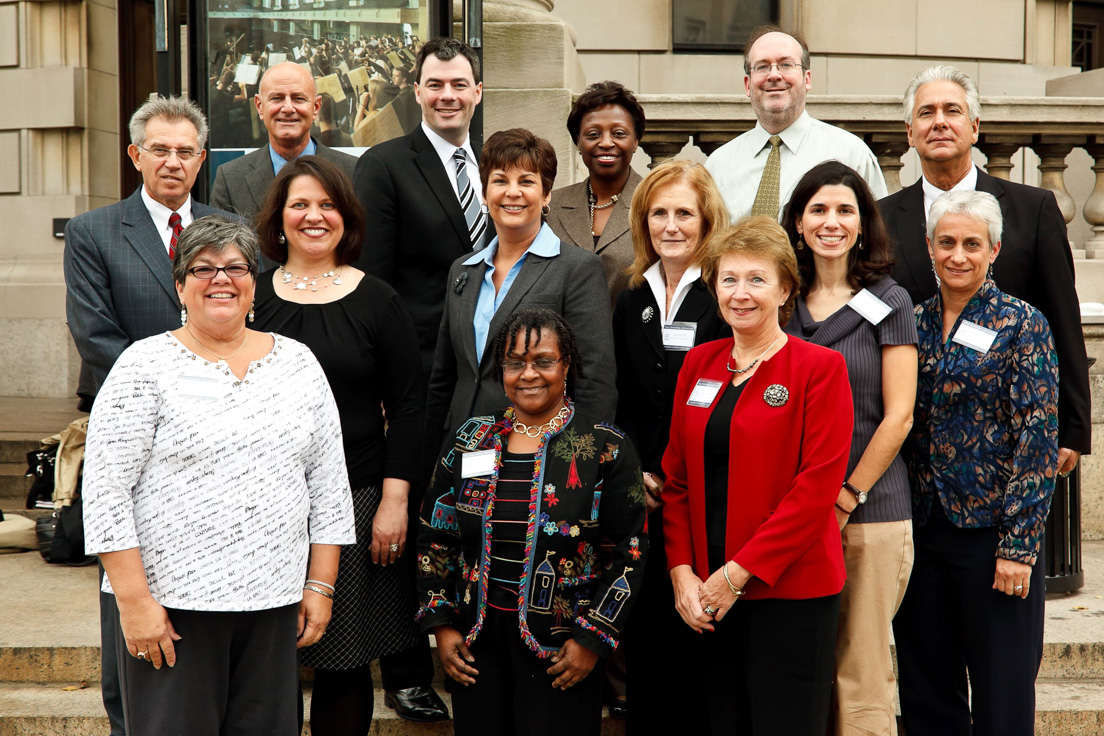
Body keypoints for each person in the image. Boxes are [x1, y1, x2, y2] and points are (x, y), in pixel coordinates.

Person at [81, 215, 356, 736]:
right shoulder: (144, 366)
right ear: (180, 285)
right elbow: (105, 493)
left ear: (254, 283)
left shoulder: (298, 364)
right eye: (203, 268)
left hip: (274, 605)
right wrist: (136, 603)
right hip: (173, 610)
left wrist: (320, 586)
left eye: (235, 267)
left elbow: (328, 485)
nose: (221, 279)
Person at [62, 95, 236, 736]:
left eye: (185, 150)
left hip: (220, 450)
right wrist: (189, 391)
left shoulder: (226, 228)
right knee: (129, 595)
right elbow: (95, 335)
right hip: (133, 441)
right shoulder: (93, 233)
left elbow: (246, 323)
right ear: (136, 155)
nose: (172, 161)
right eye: (159, 149)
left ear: (201, 159)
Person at [251, 156, 424, 735]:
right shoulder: (249, 299)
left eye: (327, 205)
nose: (313, 216)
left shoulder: (378, 300)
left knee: (342, 656)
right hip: (261, 504)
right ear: (279, 218)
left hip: (353, 500)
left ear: (347, 219)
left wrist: (393, 502)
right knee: (263, 656)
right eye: (299, 204)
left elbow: (407, 406)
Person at [663, 217, 854, 735]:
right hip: (705, 597)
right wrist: (682, 572)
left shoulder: (820, 368)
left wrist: (737, 574)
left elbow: (815, 492)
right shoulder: (698, 364)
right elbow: (676, 480)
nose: (740, 294)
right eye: (728, 279)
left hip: (789, 595)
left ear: (786, 288)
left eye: (756, 279)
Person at [417, 309, 648, 736]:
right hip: (475, 646)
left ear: (566, 366)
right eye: (514, 362)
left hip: (563, 651)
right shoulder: (472, 439)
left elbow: (629, 552)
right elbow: (436, 537)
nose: (528, 374)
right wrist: (443, 625)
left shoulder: (604, 447)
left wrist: (592, 640)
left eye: (543, 360)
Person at [894, 190, 1058, 736]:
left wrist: (1019, 546)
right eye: (947, 243)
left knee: (1002, 688)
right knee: (927, 685)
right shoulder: (909, 323)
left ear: (995, 250)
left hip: (992, 536)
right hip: (922, 531)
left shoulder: (1022, 322)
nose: (957, 255)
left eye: (971, 244)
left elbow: (1036, 438)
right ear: (929, 247)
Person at [880, 64, 1089, 478]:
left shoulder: (1034, 210)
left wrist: (1074, 428)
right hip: (913, 447)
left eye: (952, 111)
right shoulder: (881, 220)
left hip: (1009, 438)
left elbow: (1064, 318)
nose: (939, 122)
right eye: (926, 113)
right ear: (909, 134)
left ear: (974, 128)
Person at [780, 161, 917, 736]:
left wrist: (845, 497)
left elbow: (899, 415)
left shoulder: (891, 300)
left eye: (844, 210)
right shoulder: (779, 299)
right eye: (818, 209)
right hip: (787, 517)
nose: (830, 222)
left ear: (863, 224)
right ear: (798, 221)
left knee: (859, 672)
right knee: (799, 672)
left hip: (868, 512)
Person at [610, 158, 730, 730]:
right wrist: (635, 472)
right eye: (659, 213)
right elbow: (619, 396)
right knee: (648, 632)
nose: (672, 225)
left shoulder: (726, 292)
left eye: (685, 213)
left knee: (702, 636)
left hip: (707, 491)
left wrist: (677, 474)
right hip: (643, 492)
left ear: (707, 220)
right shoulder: (630, 292)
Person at [426, 128, 617, 459]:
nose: (512, 192)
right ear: (484, 194)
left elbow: (594, 380)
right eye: (500, 181)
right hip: (461, 449)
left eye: (526, 181)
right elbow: (445, 377)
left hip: (541, 453)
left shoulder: (577, 269)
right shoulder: (463, 271)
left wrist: (580, 461)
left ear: (546, 196)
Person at [352, 36, 491, 379]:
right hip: (421, 370)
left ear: (477, 92)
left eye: (459, 84)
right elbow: (372, 282)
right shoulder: (382, 166)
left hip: (496, 369)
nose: (447, 95)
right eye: (435, 84)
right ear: (417, 92)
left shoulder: (495, 165)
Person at [705, 25, 886, 222]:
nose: (774, 75)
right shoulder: (718, 166)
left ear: (807, 79)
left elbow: (879, 235)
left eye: (786, 65)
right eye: (762, 66)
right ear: (748, 85)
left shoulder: (852, 155)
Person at [211, 61, 357, 222]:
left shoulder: (353, 172)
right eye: (277, 98)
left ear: (316, 107)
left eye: (298, 98)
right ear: (259, 106)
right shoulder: (230, 179)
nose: (288, 108)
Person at [547, 80, 646, 305]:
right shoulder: (551, 207)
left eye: (619, 133)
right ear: (578, 143)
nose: (606, 143)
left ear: (635, 141)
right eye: (593, 135)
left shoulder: (654, 203)